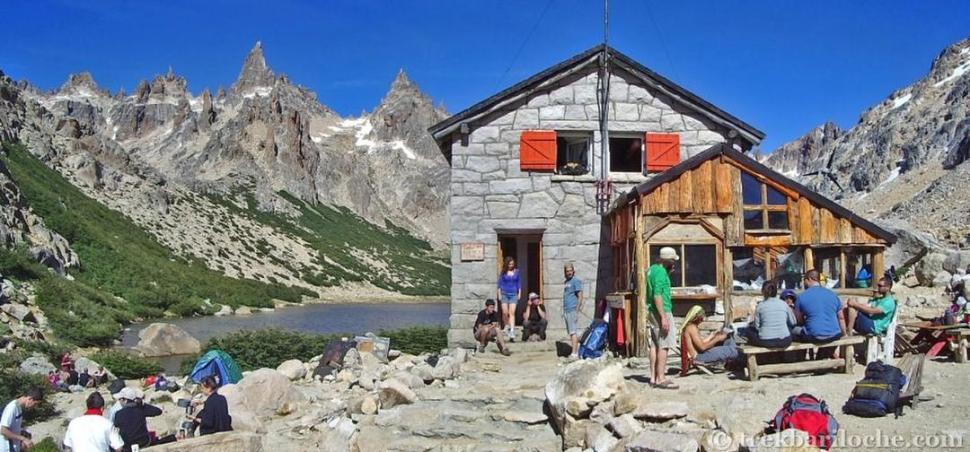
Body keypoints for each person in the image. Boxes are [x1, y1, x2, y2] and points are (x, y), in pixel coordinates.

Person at [793, 269, 846, 358]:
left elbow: (798, 320)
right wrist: (844, 334)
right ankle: (822, 358)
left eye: (804, 280)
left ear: (809, 279)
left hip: (814, 335)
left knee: (795, 330)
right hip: (834, 334)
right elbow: (841, 318)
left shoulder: (801, 297)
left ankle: (800, 359)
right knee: (822, 334)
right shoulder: (833, 295)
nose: (804, 283)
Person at [647, 247, 678, 389]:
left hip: (651, 311)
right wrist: (664, 317)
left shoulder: (652, 269)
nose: (674, 263)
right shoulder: (660, 273)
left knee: (654, 345)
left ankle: (653, 377)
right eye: (672, 260)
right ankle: (661, 378)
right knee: (664, 345)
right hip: (662, 310)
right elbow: (657, 295)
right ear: (667, 260)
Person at [743, 281, 796, 348]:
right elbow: (793, 322)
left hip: (766, 341)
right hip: (785, 341)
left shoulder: (760, 306)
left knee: (748, 330)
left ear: (763, 291)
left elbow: (757, 327)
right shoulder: (784, 304)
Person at [1, 388, 42, 452]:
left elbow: (13, 427)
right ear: (30, 399)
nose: (35, 406)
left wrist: (22, 432)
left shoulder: (19, 408)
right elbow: (3, 430)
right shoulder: (12, 408)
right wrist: (23, 439)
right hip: (8, 448)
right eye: (35, 404)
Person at [497, 256, 522, 342]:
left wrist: (519, 293)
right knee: (505, 312)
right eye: (510, 264)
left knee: (512, 312)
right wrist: (499, 294)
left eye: (512, 264)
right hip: (504, 293)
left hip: (513, 294)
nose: (511, 265)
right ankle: (506, 325)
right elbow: (499, 283)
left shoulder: (517, 272)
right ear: (507, 264)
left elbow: (519, 283)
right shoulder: (503, 272)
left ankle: (512, 330)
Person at [562, 263, 584, 359]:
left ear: (573, 271)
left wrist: (577, 310)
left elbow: (580, 296)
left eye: (570, 270)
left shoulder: (576, 281)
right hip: (567, 310)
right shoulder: (566, 282)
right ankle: (575, 350)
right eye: (567, 271)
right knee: (570, 332)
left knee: (573, 331)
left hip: (572, 310)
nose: (569, 272)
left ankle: (574, 353)